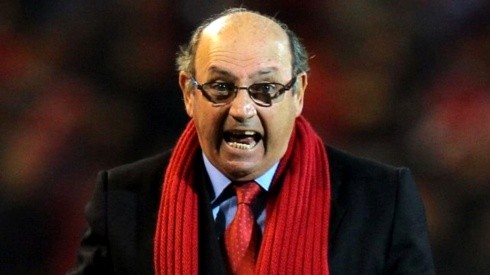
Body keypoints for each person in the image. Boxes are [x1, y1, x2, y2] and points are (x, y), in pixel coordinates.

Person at [69, 8, 435, 275]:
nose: (242, 109)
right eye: (220, 87)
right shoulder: (120, 199)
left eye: (266, 89)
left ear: (299, 93)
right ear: (187, 93)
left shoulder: (383, 199)